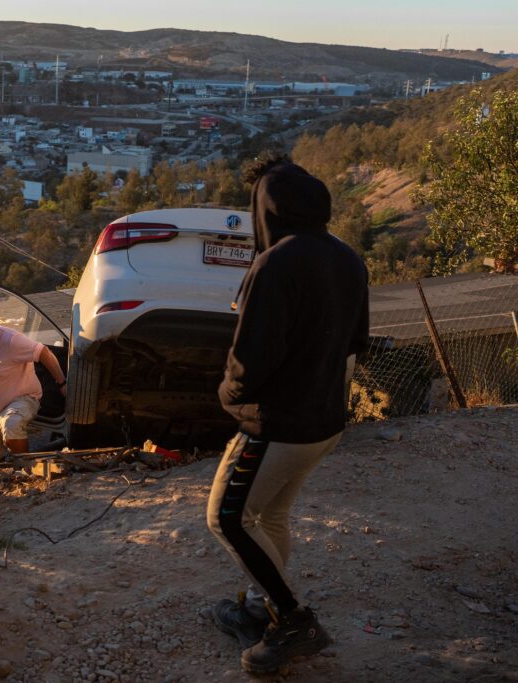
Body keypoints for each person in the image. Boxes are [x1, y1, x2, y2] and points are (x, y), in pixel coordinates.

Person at [205, 157, 369, 675]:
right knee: (269, 515)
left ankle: (295, 620)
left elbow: (250, 359)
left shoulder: (275, 263)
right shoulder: (347, 258)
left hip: (277, 424)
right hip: (324, 424)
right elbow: (356, 344)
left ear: (267, 208)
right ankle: (258, 609)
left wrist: (229, 396)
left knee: (227, 518)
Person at [0, 314, 66, 460]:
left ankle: (25, 467)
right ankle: (13, 474)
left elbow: (43, 352)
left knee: (11, 425)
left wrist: (62, 383)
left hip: (21, 400)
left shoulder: (11, 340)